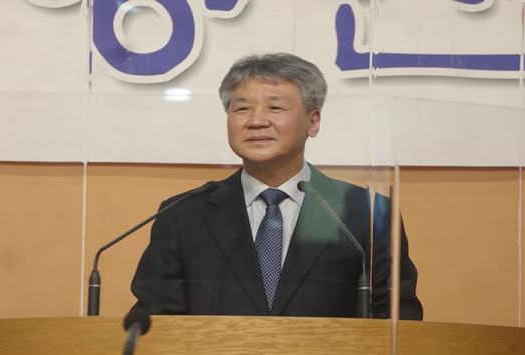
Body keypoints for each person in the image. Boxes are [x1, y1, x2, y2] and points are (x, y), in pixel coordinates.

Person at [130, 53, 423, 319]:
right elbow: (156, 321)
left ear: (313, 121)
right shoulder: (182, 215)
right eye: (241, 108)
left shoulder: (366, 213)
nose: (256, 121)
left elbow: (399, 320)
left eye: (275, 107)